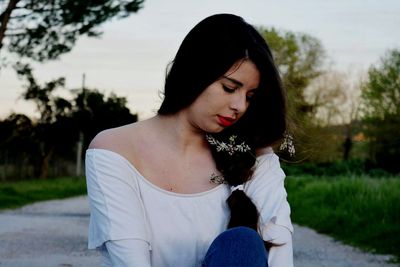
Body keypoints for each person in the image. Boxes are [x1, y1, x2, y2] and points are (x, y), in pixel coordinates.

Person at [85, 13, 294, 267]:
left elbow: (279, 255)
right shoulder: (114, 150)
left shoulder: (254, 155)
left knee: (242, 244)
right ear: (194, 73)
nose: (239, 106)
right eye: (229, 88)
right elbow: (130, 261)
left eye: (250, 96)